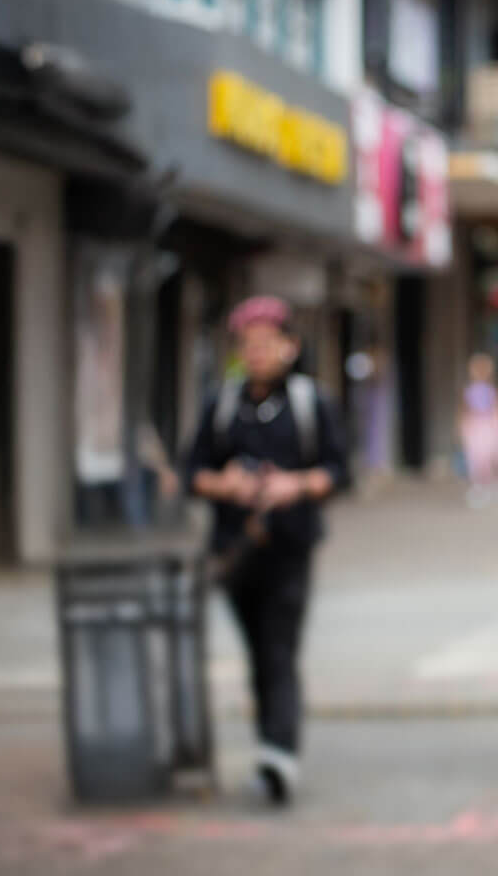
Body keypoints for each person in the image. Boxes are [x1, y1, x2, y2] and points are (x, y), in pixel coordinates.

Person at [182, 296, 351, 805]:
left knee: (280, 648)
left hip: (290, 545)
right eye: (248, 344)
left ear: (289, 347)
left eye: (267, 343)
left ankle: (279, 759)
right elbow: (191, 472)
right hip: (235, 549)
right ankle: (271, 749)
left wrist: (295, 486)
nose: (257, 353)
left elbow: (341, 471)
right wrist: (226, 484)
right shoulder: (223, 403)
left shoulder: (309, 402)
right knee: (257, 651)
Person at [458, 353, 498, 506]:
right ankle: (479, 486)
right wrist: (463, 427)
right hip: (474, 427)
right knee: (476, 458)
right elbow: (464, 410)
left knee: (491, 457)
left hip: (490, 426)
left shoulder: (496, 389)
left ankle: (492, 484)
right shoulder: (468, 390)